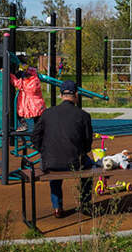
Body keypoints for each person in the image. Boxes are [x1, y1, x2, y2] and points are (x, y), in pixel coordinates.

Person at [31, 81, 94, 218]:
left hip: (50, 161)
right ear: (76, 95)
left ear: (61, 95)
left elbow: (35, 137)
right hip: (75, 162)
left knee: (54, 169)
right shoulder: (83, 115)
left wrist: (44, 151)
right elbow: (88, 144)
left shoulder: (47, 113)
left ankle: (57, 207)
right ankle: (85, 203)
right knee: (89, 167)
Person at [9, 59, 46, 132]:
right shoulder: (34, 79)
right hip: (35, 104)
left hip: (31, 104)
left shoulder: (28, 83)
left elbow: (17, 83)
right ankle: (38, 131)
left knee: (19, 114)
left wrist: (9, 75)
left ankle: (27, 126)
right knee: (36, 119)